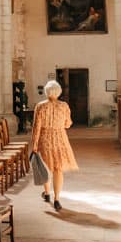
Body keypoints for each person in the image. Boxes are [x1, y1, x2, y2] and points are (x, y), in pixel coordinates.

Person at [30, 79, 78, 210]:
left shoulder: (40, 106)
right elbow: (68, 124)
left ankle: (47, 193)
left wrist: (34, 145)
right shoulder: (64, 106)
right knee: (58, 169)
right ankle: (57, 199)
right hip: (60, 138)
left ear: (46, 92)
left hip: (45, 138)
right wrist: (59, 124)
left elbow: (36, 127)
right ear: (59, 92)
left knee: (46, 168)